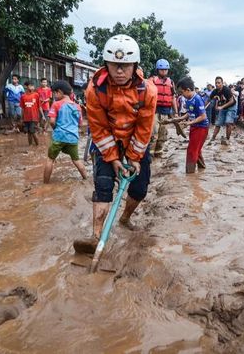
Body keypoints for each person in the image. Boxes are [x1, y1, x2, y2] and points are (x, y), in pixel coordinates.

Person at [73, 34, 157, 254]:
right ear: (106, 64)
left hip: (135, 141)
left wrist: (134, 158)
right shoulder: (95, 90)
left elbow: (144, 128)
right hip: (107, 139)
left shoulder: (147, 91)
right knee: (102, 185)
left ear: (134, 65)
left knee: (139, 189)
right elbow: (98, 128)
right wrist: (112, 158)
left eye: (125, 66)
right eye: (115, 65)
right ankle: (96, 237)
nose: (120, 71)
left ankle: (125, 218)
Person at [43, 80, 87, 183]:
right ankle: (86, 179)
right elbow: (80, 124)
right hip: (73, 138)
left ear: (59, 92)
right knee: (76, 160)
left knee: (50, 160)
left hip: (59, 137)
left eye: (54, 93)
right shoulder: (77, 107)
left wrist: (56, 129)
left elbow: (52, 121)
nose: (54, 95)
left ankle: (45, 185)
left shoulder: (56, 104)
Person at [176, 77, 209, 173]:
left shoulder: (198, 99)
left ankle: (190, 174)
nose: (181, 95)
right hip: (194, 127)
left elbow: (203, 116)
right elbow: (190, 112)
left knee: (192, 150)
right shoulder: (188, 99)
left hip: (201, 128)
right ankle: (202, 169)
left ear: (188, 90)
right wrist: (181, 118)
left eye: (182, 92)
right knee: (196, 149)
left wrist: (188, 123)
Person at [149, 59, 178, 157]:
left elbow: (173, 98)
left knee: (162, 134)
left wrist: (176, 112)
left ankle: (159, 153)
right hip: (154, 111)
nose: (164, 71)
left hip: (166, 111)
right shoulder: (152, 80)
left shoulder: (171, 82)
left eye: (165, 70)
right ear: (157, 70)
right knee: (154, 134)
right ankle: (150, 155)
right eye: (162, 70)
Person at [209, 76, 236, 145]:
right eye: (216, 83)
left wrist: (221, 107)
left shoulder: (226, 90)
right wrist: (202, 107)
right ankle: (213, 138)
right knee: (218, 123)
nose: (217, 84)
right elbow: (209, 99)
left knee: (228, 122)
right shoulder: (215, 91)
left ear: (222, 83)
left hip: (231, 106)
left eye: (219, 83)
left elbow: (231, 101)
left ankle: (227, 139)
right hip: (223, 107)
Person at [20, 81, 41, 146]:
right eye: (30, 86)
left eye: (33, 86)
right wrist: (22, 118)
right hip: (26, 118)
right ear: (26, 87)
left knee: (33, 132)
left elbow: (39, 106)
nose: (32, 87)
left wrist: (42, 116)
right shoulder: (23, 96)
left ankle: (38, 145)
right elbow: (22, 108)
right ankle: (30, 145)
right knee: (29, 132)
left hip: (34, 117)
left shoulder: (36, 95)